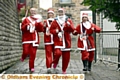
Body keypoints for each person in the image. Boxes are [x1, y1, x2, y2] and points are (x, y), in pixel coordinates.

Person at [50, 8, 75, 74]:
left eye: (62, 11)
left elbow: (72, 29)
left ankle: (64, 69)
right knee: (58, 53)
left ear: (64, 12)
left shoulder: (68, 20)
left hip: (66, 40)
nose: (60, 12)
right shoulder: (55, 21)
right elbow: (51, 30)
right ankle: (55, 61)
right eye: (59, 11)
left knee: (66, 57)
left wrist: (69, 26)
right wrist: (56, 31)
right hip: (58, 39)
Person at [20, 8, 43, 72]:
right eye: (32, 11)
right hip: (26, 38)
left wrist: (39, 23)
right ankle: (23, 56)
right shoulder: (26, 19)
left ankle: (31, 67)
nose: (33, 12)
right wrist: (28, 25)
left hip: (34, 38)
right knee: (25, 51)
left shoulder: (38, 19)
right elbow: (22, 28)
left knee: (33, 54)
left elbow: (41, 30)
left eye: (34, 11)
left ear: (36, 12)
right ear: (30, 12)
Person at [43, 8, 55, 73]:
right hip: (47, 39)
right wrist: (44, 27)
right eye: (49, 13)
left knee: (56, 53)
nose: (50, 14)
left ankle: (55, 63)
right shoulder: (45, 21)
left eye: (51, 13)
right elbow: (43, 31)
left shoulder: (56, 21)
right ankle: (48, 66)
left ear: (53, 14)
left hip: (55, 40)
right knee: (48, 53)